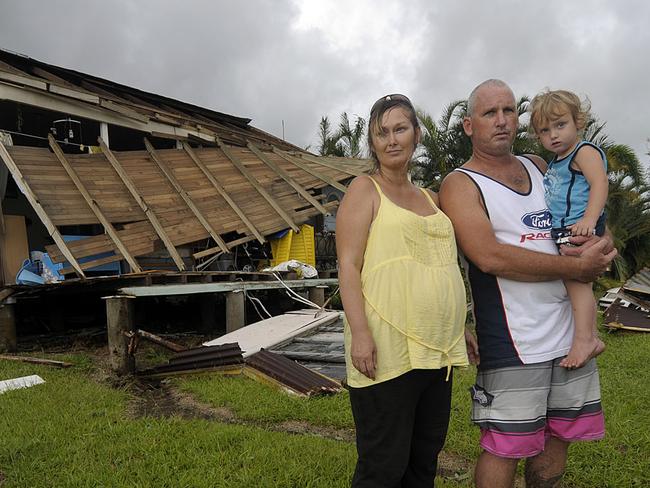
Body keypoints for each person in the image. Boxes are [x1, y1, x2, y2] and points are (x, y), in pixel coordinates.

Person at [438, 79, 616, 488]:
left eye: (508, 111)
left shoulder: (541, 165)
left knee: (558, 444)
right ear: (468, 125)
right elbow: (489, 256)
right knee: (505, 447)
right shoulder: (462, 184)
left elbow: (581, 217)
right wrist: (575, 268)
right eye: (489, 113)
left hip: (572, 335)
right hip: (513, 342)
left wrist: (600, 246)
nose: (502, 121)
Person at [336, 94, 472, 488]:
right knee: (383, 466)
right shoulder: (365, 190)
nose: (392, 139)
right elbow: (348, 265)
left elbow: (439, 265)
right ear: (373, 143)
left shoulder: (431, 198)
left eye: (400, 129)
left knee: (422, 462)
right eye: (382, 133)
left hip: (438, 349)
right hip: (386, 347)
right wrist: (360, 334)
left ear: (416, 135)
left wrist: (456, 325)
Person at [528, 89, 607, 369]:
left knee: (577, 283)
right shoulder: (556, 161)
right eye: (545, 130)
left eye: (560, 125)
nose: (553, 135)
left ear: (578, 122)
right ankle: (585, 336)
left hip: (579, 227)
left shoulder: (583, 152)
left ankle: (587, 339)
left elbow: (599, 183)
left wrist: (589, 219)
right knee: (574, 284)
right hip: (567, 228)